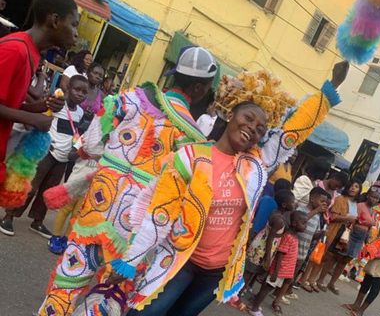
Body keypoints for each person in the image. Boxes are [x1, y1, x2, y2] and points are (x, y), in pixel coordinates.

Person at [104, 61, 349, 315]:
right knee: (145, 313)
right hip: (180, 260)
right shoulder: (191, 157)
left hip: (218, 271)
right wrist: (130, 261)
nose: (252, 128)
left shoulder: (257, 163)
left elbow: (293, 132)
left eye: (259, 129)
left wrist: (329, 90)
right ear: (231, 114)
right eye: (248, 118)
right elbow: (159, 213)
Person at [38, 46, 219, 315]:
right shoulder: (192, 138)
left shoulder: (128, 98)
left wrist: (115, 162)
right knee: (107, 297)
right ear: (200, 89)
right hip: (134, 228)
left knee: (66, 282)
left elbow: (91, 145)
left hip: (96, 209)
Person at [0, 0, 76, 187]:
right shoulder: (15, 49)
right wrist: (33, 119)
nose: (76, 34)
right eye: (74, 25)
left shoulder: (30, 52)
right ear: (55, 20)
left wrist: (41, 106)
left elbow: (11, 106)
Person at [0, 75, 87, 237]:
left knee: (49, 190)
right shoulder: (58, 103)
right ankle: (9, 216)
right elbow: (41, 119)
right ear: (68, 89)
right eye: (77, 89)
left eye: (84, 92)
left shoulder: (80, 112)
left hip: (63, 156)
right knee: (31, 186)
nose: (80, 94)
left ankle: (37, 221)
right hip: (48, 151)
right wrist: (43, 140)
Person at [229, 190, 296, 311]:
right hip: (263, 248)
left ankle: (236, 293)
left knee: (250, 271)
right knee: (249, 272)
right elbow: (270, 239)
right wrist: (268, 258)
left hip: (262, 245)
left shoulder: (277, 215)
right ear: (284, 205)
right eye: (292, 202)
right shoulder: (279, 220)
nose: (294, 204)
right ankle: (235, 295)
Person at [302, 178, 367, 293]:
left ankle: (312, 280)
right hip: (334, 230)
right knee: (319, 255)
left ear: (359, 190)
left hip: (344, 233)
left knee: (326, 258)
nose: (353, 188)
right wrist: (349, 218)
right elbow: (333, 217)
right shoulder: (340, 199)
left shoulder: (355, 205)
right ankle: (304, 279)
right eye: (352, 185)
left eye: (356, 186)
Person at [249, 211, 308, 316]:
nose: (305, 226)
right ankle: (254, 308)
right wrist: (276, 272)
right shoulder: (289, 236)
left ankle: (254, 304)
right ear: (294, 223)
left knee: (268, 288)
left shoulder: (293, 236)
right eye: (303, 223)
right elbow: (280, 254)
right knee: (267, 288)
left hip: (283, 271)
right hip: (279, 270)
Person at [77, 62, 105, 133]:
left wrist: (93, 116)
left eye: (100, 75)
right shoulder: (78, 86)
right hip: (72, 125)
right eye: (95, 73)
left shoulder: (101, 95)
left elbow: (101, 116)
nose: (97, 77)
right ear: (88, 72)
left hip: (87, 131)